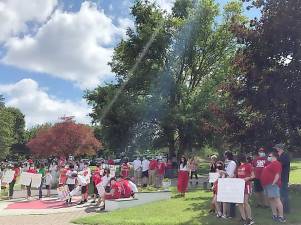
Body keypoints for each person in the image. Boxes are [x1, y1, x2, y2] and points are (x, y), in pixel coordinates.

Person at [261, 150, 286, 223]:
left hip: (272, 185)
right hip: (267, 185)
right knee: (271, 200)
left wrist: (274, 183)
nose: (268, 157)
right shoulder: (270, 164)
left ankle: (281, 217)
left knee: (277, 200)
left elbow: (277, 174)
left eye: (270, 156)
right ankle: (274, 214)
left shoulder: (276, 163)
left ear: (274, 157)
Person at [237, 154, 255, 225]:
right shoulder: (238, 167)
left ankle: (250, 218)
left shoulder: (248, 165)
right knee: (239, 202)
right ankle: (244, 218)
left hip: (246, 185)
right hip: (239, 186)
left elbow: (253, 176)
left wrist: (248, 178)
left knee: (245, 202)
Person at [219, 151, 237, 218]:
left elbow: (230, 173)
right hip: (225, 181)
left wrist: (223, 172)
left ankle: (232, 214)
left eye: (225, 155)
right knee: (223, 197)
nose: (224, 156)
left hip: (231, 181)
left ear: (227, 155)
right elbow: (226, 172)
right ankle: (223, 212)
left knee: (231, 198)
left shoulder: (232, 163)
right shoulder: (227, 162)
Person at [274, 143, 290, 213]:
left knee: (284, 194)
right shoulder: (278, 156)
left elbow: (281, 165)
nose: (276, 149)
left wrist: (275, 162)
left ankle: (286, 209)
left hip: (284, 177)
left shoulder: (285, 156)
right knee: (279, 193)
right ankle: (279, 207)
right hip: (278, 177)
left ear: (279, 148)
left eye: (276, 148)